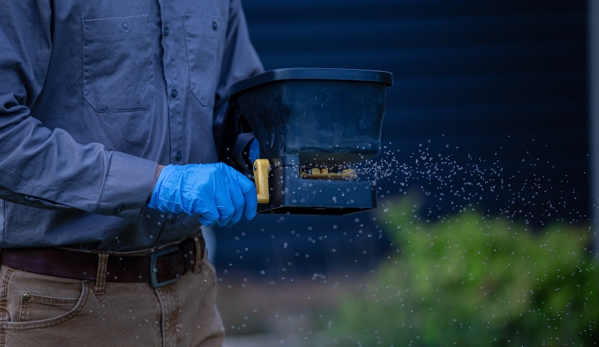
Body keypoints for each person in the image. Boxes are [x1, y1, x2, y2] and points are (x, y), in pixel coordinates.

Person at [0, 0, 263, 345]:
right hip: (61, 308)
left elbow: (235, 104)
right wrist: (155, 184)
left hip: (193, 299)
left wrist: (264, 143)